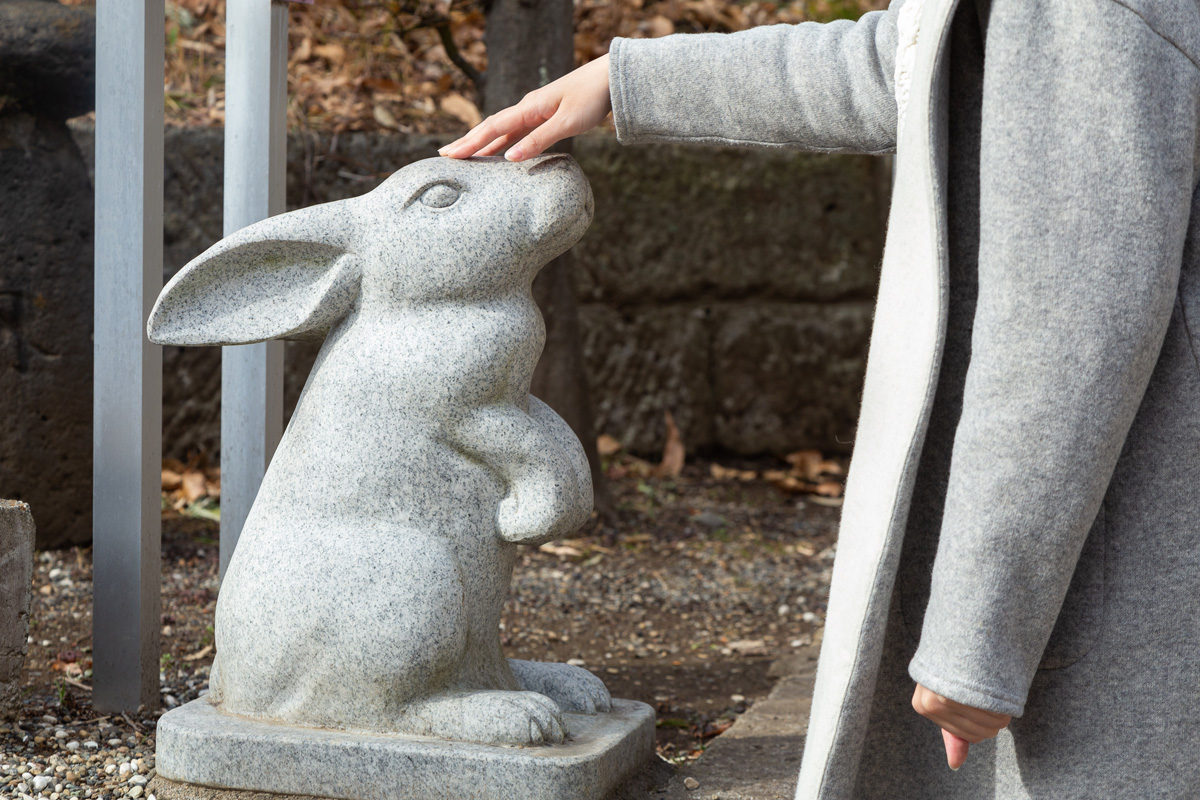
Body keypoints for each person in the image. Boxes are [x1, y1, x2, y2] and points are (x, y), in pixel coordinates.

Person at [444, 1, 1200, 797]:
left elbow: (1066, 314)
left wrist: (981, 632)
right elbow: (917, 62)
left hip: (1115, 566)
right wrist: (625, 82)